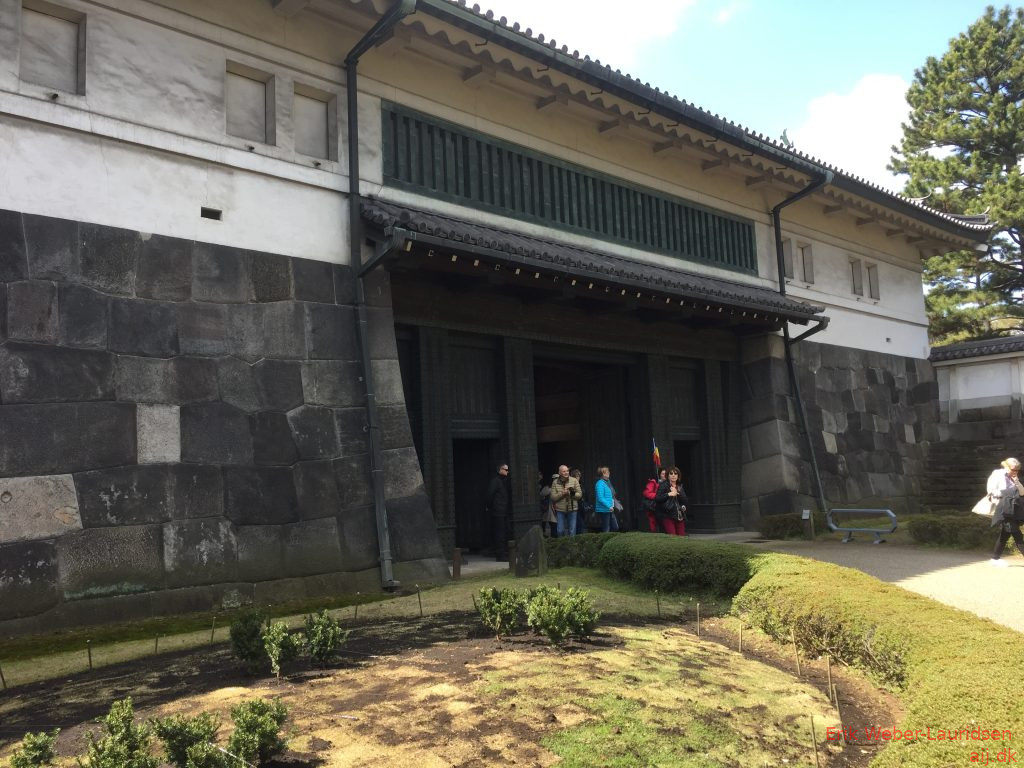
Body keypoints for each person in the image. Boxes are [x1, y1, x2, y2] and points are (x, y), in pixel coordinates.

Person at [987, 457, 1024, 567]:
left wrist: (1017, 482)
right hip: (1003, 508)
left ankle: (995, 558)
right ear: (1006, 467)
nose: (1015, 472)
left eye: (1017, 470)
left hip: (1014, 509)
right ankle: (995, 559)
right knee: (1017, 534)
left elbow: (1022, 493)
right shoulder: (997, 474)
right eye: (1013, 469)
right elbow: (991, 491)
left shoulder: (1014, 477)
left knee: (1005, 534)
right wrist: (1006, 493)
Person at [486, 462, 512, 559]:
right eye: (505, 470)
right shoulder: (495, 481)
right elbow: (490, 495)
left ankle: (503, 552)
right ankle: (500, 554)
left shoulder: (503, 481)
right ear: (500, 470)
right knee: (500, 533)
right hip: (498, 511)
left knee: (506, 531)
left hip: (503, 511)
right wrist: (490, 506)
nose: (507, 472)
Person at [654, 466, 688, 536]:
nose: (673, 475)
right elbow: (657, 498)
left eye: (675, 474)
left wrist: (678, 493)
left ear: (678, 476)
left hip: (679, 515)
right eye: (671, 473)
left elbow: (685, 500)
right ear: (668, 475)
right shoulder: (663, 485)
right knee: (672, 537)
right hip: (667, 515)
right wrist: (669, 494)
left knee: (682, 536)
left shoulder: (679, 486)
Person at [550, 464, 582, 537]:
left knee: (572, 531)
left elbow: (579, 495)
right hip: (560, 510)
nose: (566, 472)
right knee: (560, 530)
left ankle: (571, 547)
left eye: (567, 471)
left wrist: (571, 493)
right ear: (560, 473)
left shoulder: (574, 480)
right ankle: (562, 546)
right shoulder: (555, 482)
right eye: (564, 471)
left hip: (572, 509)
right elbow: (553, 497)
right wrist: (562, 494)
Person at [594, 466, 615, 533]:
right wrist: (609, 506)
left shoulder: (607, 482)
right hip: (604, 509)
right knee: (606, 529)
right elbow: (600, 498)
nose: (609, 473)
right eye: (607, 472)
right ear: (603, 474)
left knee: (614, 527)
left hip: (609, 508)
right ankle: (606, 542)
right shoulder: (600, 484)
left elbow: (610, 495)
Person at [538, 471, 555, 538]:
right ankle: (544, 533)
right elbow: (541, 494)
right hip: (547, 507)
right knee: (546, 521)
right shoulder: (547, 487)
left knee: (551, 522)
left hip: (552, 508)